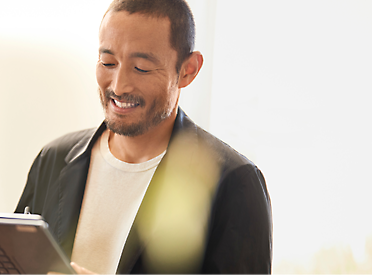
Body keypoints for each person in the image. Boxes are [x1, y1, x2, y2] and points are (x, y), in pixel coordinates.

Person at [16, 0, 272, 274]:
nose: (118, 85)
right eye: (108, 62)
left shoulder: (234, 181)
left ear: (188, 70)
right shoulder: (53, 158)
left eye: (141, 68)